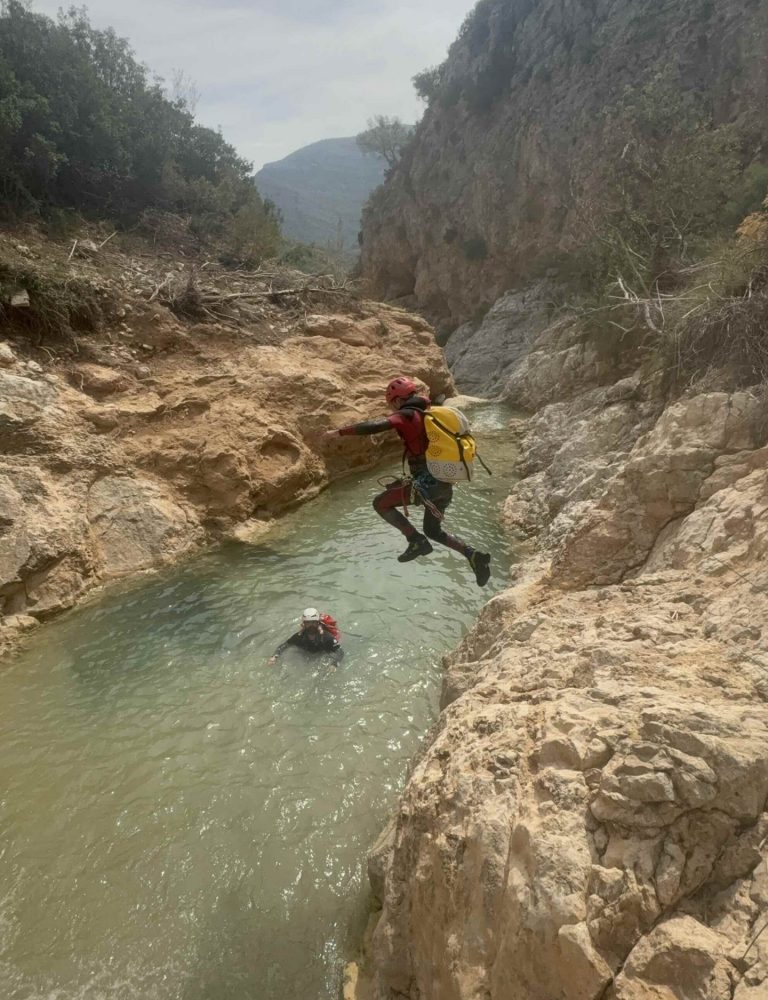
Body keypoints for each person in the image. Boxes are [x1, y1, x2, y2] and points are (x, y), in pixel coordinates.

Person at [320, 376, 491, 587]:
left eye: (392, 403)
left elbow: (374, 426)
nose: (392, 407)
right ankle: (475, 556)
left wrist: (338, 432)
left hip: (427, 485)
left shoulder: (406, 415)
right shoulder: (428, 412)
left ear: (397, 400)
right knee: (433, 531)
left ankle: (416, 541)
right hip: (444, 484)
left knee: (380, 503)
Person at [268, 608, 344, 665]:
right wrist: (274, 657)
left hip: (321, 654)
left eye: (313, 622)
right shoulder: (299, 636)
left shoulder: (326, 637)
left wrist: (334, 664)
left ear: (318, 623)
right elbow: (285, 645)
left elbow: (340, 652)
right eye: (308, 623)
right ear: (304, 624)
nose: (311, 626)